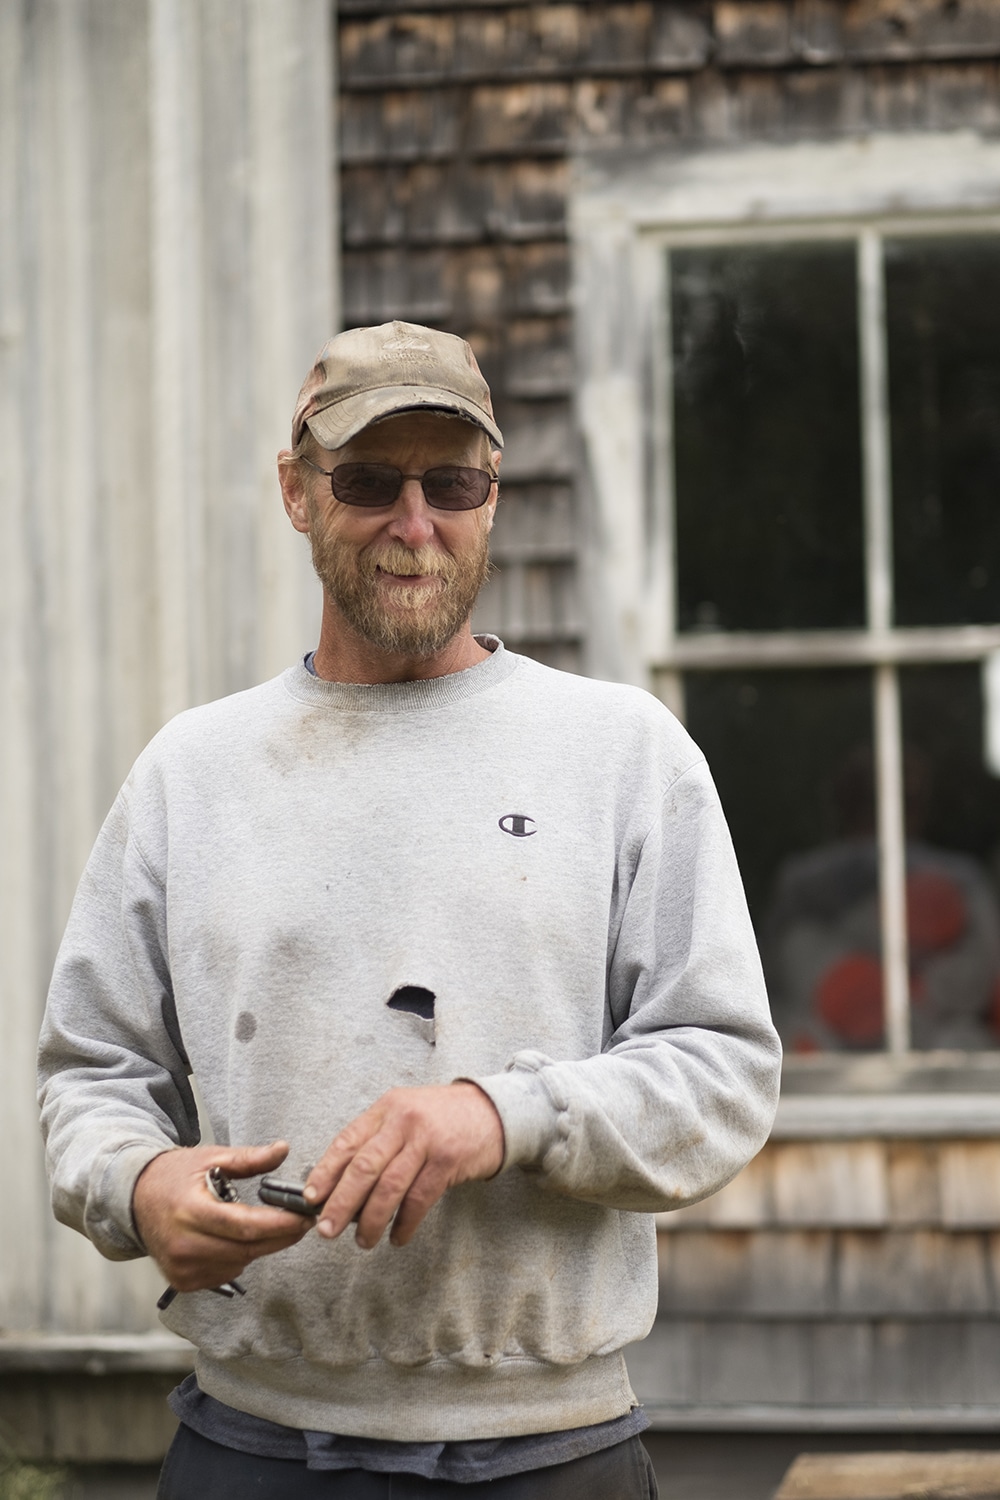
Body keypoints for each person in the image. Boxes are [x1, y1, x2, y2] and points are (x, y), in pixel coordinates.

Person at [38, 321, 781, 1498]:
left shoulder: (622, 754)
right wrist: (134, 1186)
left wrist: (505, 1114)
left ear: (495, 497)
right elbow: (89, 1074)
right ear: (296, 492)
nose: (415, 522)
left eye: (454, 482)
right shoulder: (193, 772)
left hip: (556, 1455)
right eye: (369, 482)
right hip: (250, 1448)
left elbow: (723, 1074)